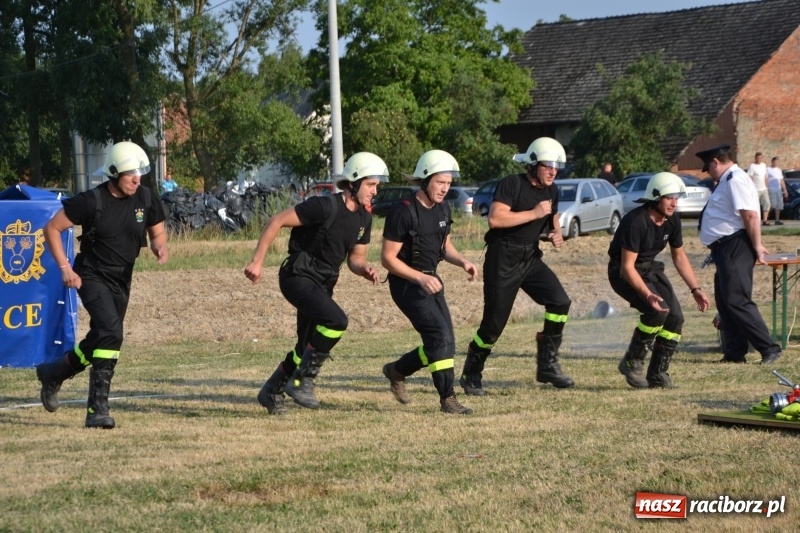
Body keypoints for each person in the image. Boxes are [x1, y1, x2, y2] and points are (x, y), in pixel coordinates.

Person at [37, 141, 169, 429]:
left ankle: (54, 372)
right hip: (92, 274)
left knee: (102, 337)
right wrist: (65, 269)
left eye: (139, 173)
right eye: (129, 173)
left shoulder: (146, 198)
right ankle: (97, 409)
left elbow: (157, 232)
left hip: (123, 277)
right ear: (113, 173)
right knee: (111, 333)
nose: (136, 179)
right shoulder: (90, 201)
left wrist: (160, 246)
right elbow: (52, 228)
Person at [245, 152, 386, 414]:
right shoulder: (324, 206)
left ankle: (271, 391)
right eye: (370, 184)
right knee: (337, 321)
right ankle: (301, 382)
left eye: (377, 185)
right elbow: (277, 221)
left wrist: (363, 268)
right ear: (353, 183)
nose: (374, 191)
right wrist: (257, 262)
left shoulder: (365, 219)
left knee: (305, 347)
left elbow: (355, 258)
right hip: (297, 276)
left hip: (323, 283)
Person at [459, 137, 575, 397]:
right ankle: (471, 373)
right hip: (503, 258)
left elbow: (551, 214)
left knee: (559, 302)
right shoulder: (512, 184)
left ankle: (547, 365)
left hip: (530, 257)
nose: (553, 171)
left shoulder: (552, 190)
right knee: (493, 325)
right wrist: (534, 213)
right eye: (548, 166)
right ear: (533, 164)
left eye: (557, 167)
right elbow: (496, 219)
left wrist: (555, 232)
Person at [381, 150, 478, 414]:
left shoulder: (443, 209)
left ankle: (397, 370)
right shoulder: (402, 213)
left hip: (430, 280)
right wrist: (420, 277)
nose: (445, 189)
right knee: (439, 336)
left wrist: (463, 262)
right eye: (440, 182)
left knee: (445, 342)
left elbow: (444, 246)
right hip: (406, 283)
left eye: (448, 183)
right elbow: (388, 259)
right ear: (425, 180)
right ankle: (448, 399)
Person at [609, 172, 711, 388]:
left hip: (650, 269)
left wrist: (696, 289)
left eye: (677, 197)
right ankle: (632, 361)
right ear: (655, 197)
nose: (674, 203)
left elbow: (679, 256)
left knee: (675, 318)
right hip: (623, 272)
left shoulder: (672, 220)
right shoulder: (635, 221)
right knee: (655, 311)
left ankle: (657, 374)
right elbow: (628, 266)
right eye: (669, 197)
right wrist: (647, 294)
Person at [696, 144, 781, 364]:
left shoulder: (735, 179)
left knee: (737, 299)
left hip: (735, 246)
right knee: (725, 301)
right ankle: (734, 352)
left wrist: (757, 246)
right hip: (724, 248)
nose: (709, 174)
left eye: (709, 168)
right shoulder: (728, 180)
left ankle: (768, 348)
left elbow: (751, 216)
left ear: (715, 161)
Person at [747, 152, 770, 225]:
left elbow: (765, 177)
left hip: (763, 189)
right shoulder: (752, 166)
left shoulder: (764, 165)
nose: (759, 159)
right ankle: (756, 221)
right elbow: (749, 177)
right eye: (758, 158)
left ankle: (765, 220)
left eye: (761, 158)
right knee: (755, 205)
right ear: (755, 158)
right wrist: (750, 188)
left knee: (767, 204)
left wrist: (766, 187)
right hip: (755, 189)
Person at [766, 156, 788, 225]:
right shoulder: (768, 169)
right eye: (775, 162)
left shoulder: (779, 170)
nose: (776, 163)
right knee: (773, 205)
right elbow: (765, 179)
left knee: (779, 205)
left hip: (778, 189)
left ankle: (777, 220)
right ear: (772, 162)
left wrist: (785, 190)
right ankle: (765, 218)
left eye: (777, 162)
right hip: (771, 189)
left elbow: (781, 180)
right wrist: (766, 188)